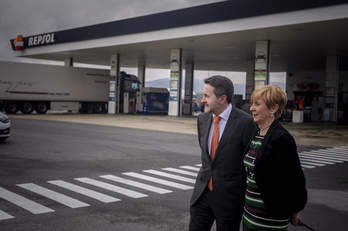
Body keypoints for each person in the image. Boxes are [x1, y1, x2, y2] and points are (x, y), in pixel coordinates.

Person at [189, 75, 257, 231]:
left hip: (229, 199)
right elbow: (208, 158)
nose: (202, 100)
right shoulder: (202, 119)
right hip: (202, 195)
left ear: (222, 98)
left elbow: (250, 163)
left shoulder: (246, 123)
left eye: (207, 96)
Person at [243, 85, 307, 230]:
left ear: (273, 108)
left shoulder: (281, 137)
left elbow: (295, 179)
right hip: (250, 211)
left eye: (257, 104)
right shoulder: (258, 133)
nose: (251, 108)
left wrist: (295, 210)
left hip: (268, 215)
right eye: (252, 103)